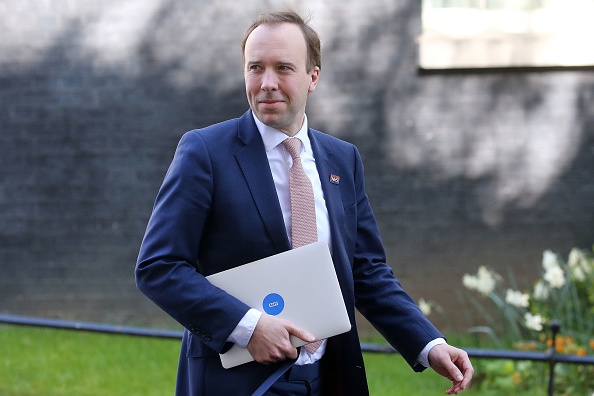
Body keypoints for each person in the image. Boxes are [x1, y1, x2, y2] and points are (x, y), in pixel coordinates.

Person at [135, 9, 473, 396]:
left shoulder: (342, 160)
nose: (266, 83)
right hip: (236, 383)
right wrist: (247, 327)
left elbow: (365, 271)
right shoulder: (205, 152)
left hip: (329, 378)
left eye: (283, 68)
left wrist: (430, 345)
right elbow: (158, 267)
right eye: (255, 68)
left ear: (313, 76)